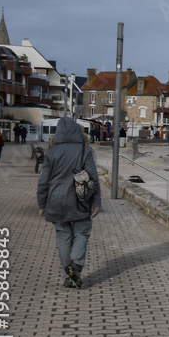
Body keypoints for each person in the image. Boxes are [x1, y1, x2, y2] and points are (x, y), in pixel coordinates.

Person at [37, 117, 101, 289]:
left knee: (63, 237)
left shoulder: (51, 152)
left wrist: (42, 204)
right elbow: (93, 178)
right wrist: (96, 202)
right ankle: (76, 264)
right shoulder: (84, 150)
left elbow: (43, 182)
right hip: (79, 200)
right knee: (82, 232)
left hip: (55, 200)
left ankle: (69, 277)